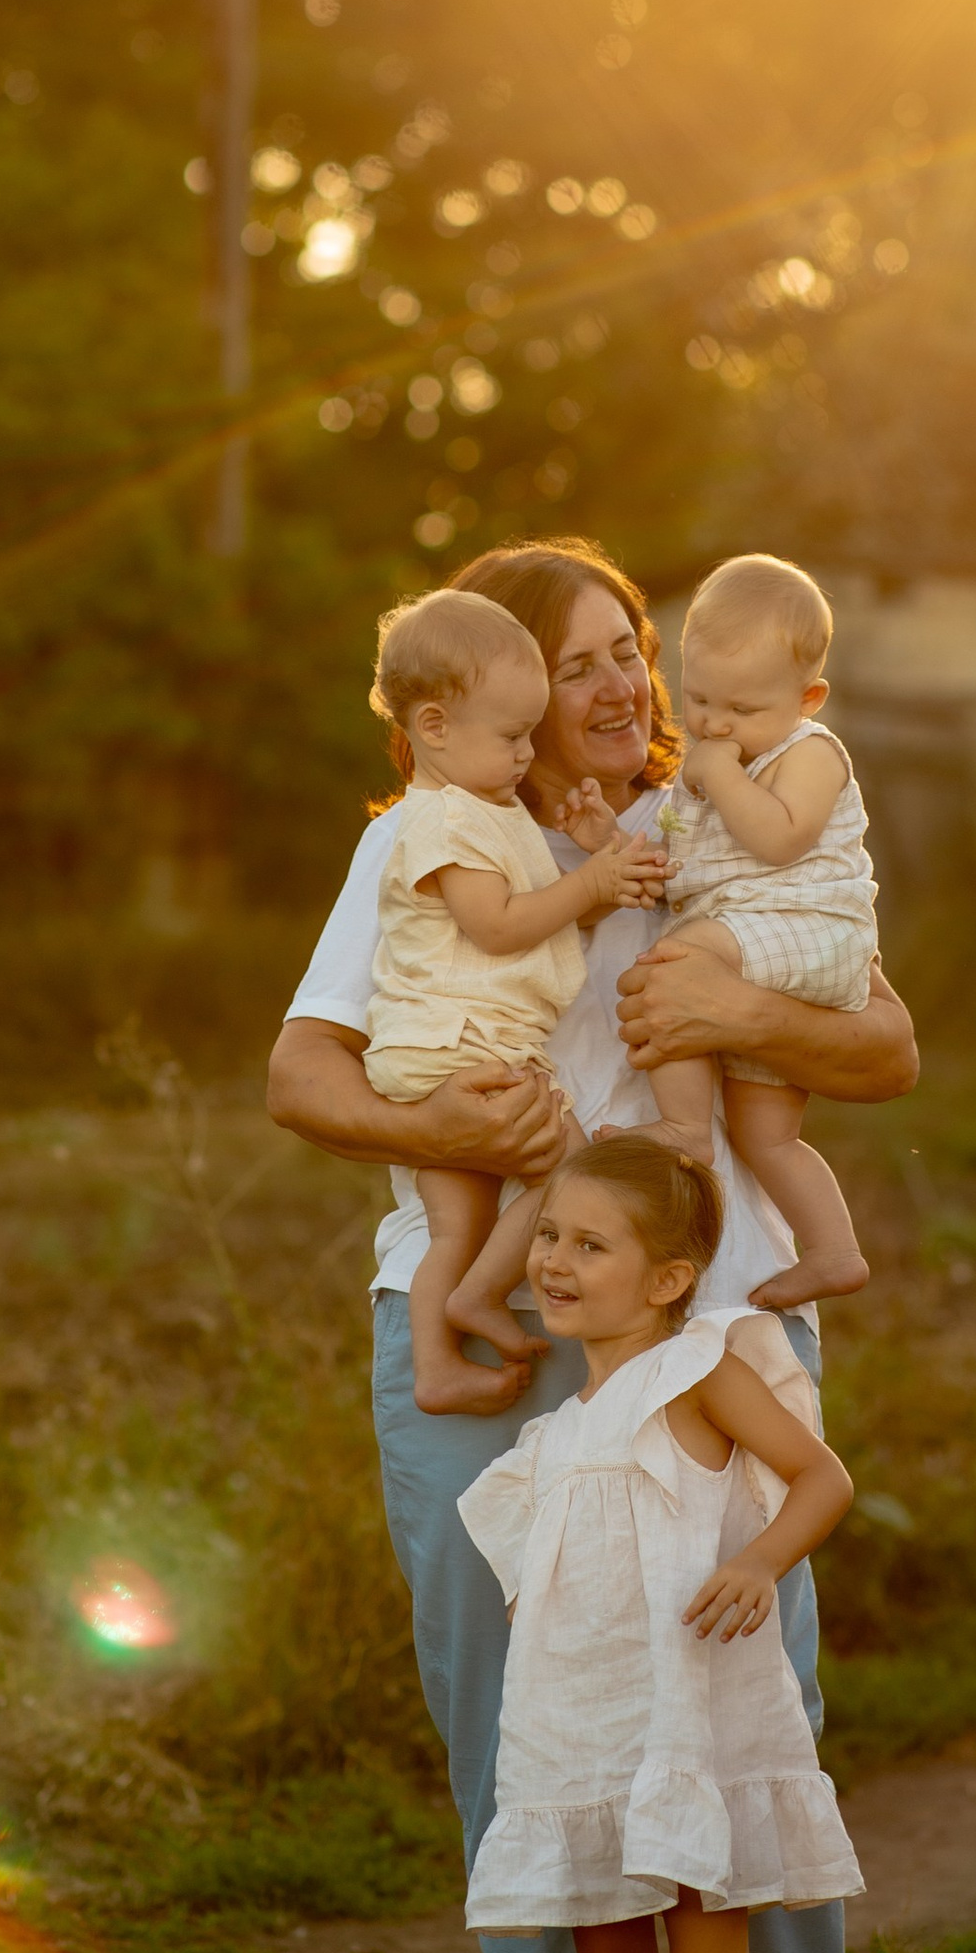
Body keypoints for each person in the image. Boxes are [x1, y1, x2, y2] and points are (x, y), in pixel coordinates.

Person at [265, 534, 918, 1953]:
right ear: (493, 698)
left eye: (632, 645)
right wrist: (435, 1120)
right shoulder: (433, 845)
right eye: (581, 662)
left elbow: (887, 1044)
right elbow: (299, 1076)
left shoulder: (726, 824)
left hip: (709, 1328)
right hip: (492, 1310)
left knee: (750, 1704)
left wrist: (736, 1023)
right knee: (515, 1729)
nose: (625, 683)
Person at [459, 1133, 863, 1953]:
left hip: (688, 1729)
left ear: (668, 1280)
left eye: (590, 1245)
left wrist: (757, 1560)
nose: (552, 1261)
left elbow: (821, 1478)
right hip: (587, 1739)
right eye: (547, 1234)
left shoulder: (701, 1371)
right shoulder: (547, 1443)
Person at [360, 586, 670, 1413]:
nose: (527, 753)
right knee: (567, 1169)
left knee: (456, 1225)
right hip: (463, 1048)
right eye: (511, 735)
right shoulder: (439, 823)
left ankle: (439, 1360)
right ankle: (477, 1299)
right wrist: (596, 879)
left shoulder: (483, 814)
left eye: (531, 732)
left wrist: (601, 859)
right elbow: (501, 926)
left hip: (445, 1048)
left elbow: (556, 914)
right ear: (433, 729)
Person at [645, 554, 877, 1303]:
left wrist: (721, 774)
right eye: (699, 697)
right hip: (759, 939)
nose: (713, 723)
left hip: (810, 931)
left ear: (808, 698)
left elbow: (779, 839)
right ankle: (834, 1249)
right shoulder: (714, 758)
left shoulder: (811, 753)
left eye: (741, 710)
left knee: (672, 966)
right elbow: (677, 856)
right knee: (764, 1133)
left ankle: (681, 1132)